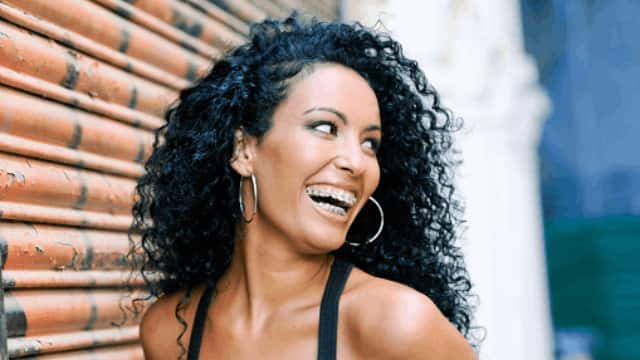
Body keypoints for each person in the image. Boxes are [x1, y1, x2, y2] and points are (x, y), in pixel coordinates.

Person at [133, 13, 478, 360]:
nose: (356, 162)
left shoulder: (396, 324)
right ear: (243, 149)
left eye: (370, 143)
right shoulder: (169, 331)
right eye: (326, 127)